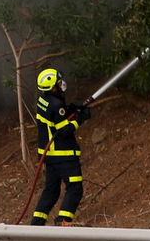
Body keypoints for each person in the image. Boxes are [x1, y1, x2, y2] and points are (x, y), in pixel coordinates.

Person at [30, 68, 90, 226]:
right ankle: (62, 223)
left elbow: (54, 116)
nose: (61, 83)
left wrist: (70, 108)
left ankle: (35, 226)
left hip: (49, 156)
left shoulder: (44, 101)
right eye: (58, 81)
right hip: (63, 155)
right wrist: (80, 118)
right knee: (75, 187)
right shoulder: (57, 105)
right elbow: (64, 129)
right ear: (52, 87)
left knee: (51, 191)